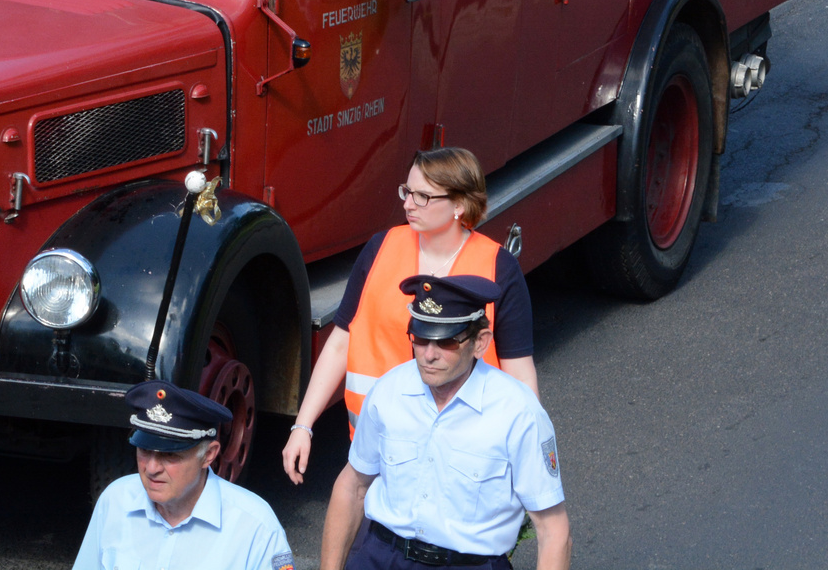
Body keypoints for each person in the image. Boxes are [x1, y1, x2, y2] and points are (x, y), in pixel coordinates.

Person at [282, 147, 536, 485]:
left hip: (465, 465)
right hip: (378, 455)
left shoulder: (498, 267)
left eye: (423, 196)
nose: (408, 204)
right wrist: (303, 425)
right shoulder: (380, 248)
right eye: (407, 191)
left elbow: (520, 375)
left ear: (459, 205)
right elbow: (340, 343)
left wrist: (528, 458)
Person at [320, 275, 571, 570]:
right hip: (380, 556)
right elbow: (353, 486)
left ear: (480, 343)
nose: (428, 355)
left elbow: (553, 530)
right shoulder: (388, 392)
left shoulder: (517, 413)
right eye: (421, 338)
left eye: (446, 341)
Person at [73, 380, 295, 570]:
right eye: (144, 450)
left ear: (209, 455)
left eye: (169, 455)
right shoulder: (115, 501)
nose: (151, 468)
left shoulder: (255, 527)